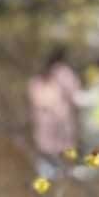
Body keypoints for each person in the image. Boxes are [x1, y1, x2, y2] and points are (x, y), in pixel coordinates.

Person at [26, 47, 82, 180]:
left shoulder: (42, 70)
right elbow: (73, 90)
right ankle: (56, 169)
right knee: (60, 141)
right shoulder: (63, 71)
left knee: (45, 140)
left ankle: (45, 168)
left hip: (42, 113)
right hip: (59, 113)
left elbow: (32, 89)